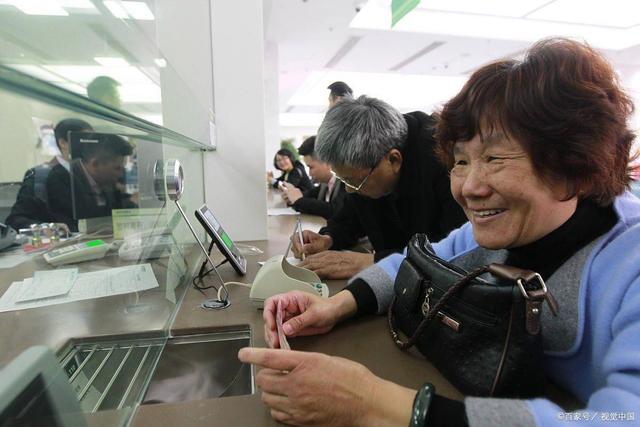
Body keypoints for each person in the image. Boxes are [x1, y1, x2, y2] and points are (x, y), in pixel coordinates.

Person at [239, 38, 640, 426]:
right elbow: (415, 263)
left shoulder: (630, 265)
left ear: (573, 163)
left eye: (495, 157)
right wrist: (334, 306)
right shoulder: (494, 234)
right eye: (461, 162)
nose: (468, 187)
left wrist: (375, 404)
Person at [292, 96, 467, 279]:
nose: (350, 190)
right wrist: (328, 238)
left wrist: (369, 262)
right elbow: (350, 217)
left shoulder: (445, 161)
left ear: (393, 160)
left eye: (353, 182)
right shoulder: (365, 166)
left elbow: (452, 251)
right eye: (342, 180)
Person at [6, 118, 93, 231]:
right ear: (63, 143)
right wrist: (46, 227)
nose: (90, 146)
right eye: (84, 140)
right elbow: (16, 220)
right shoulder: (40, 176)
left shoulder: (95, 173)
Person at [282, 136, 347, 219]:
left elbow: (334, 210)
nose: (309, 173)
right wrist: (292, 197)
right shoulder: (326, 184)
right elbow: (310, 195)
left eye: (311, 167)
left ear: (327, 162)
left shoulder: (346, 182)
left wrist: (299, 200)